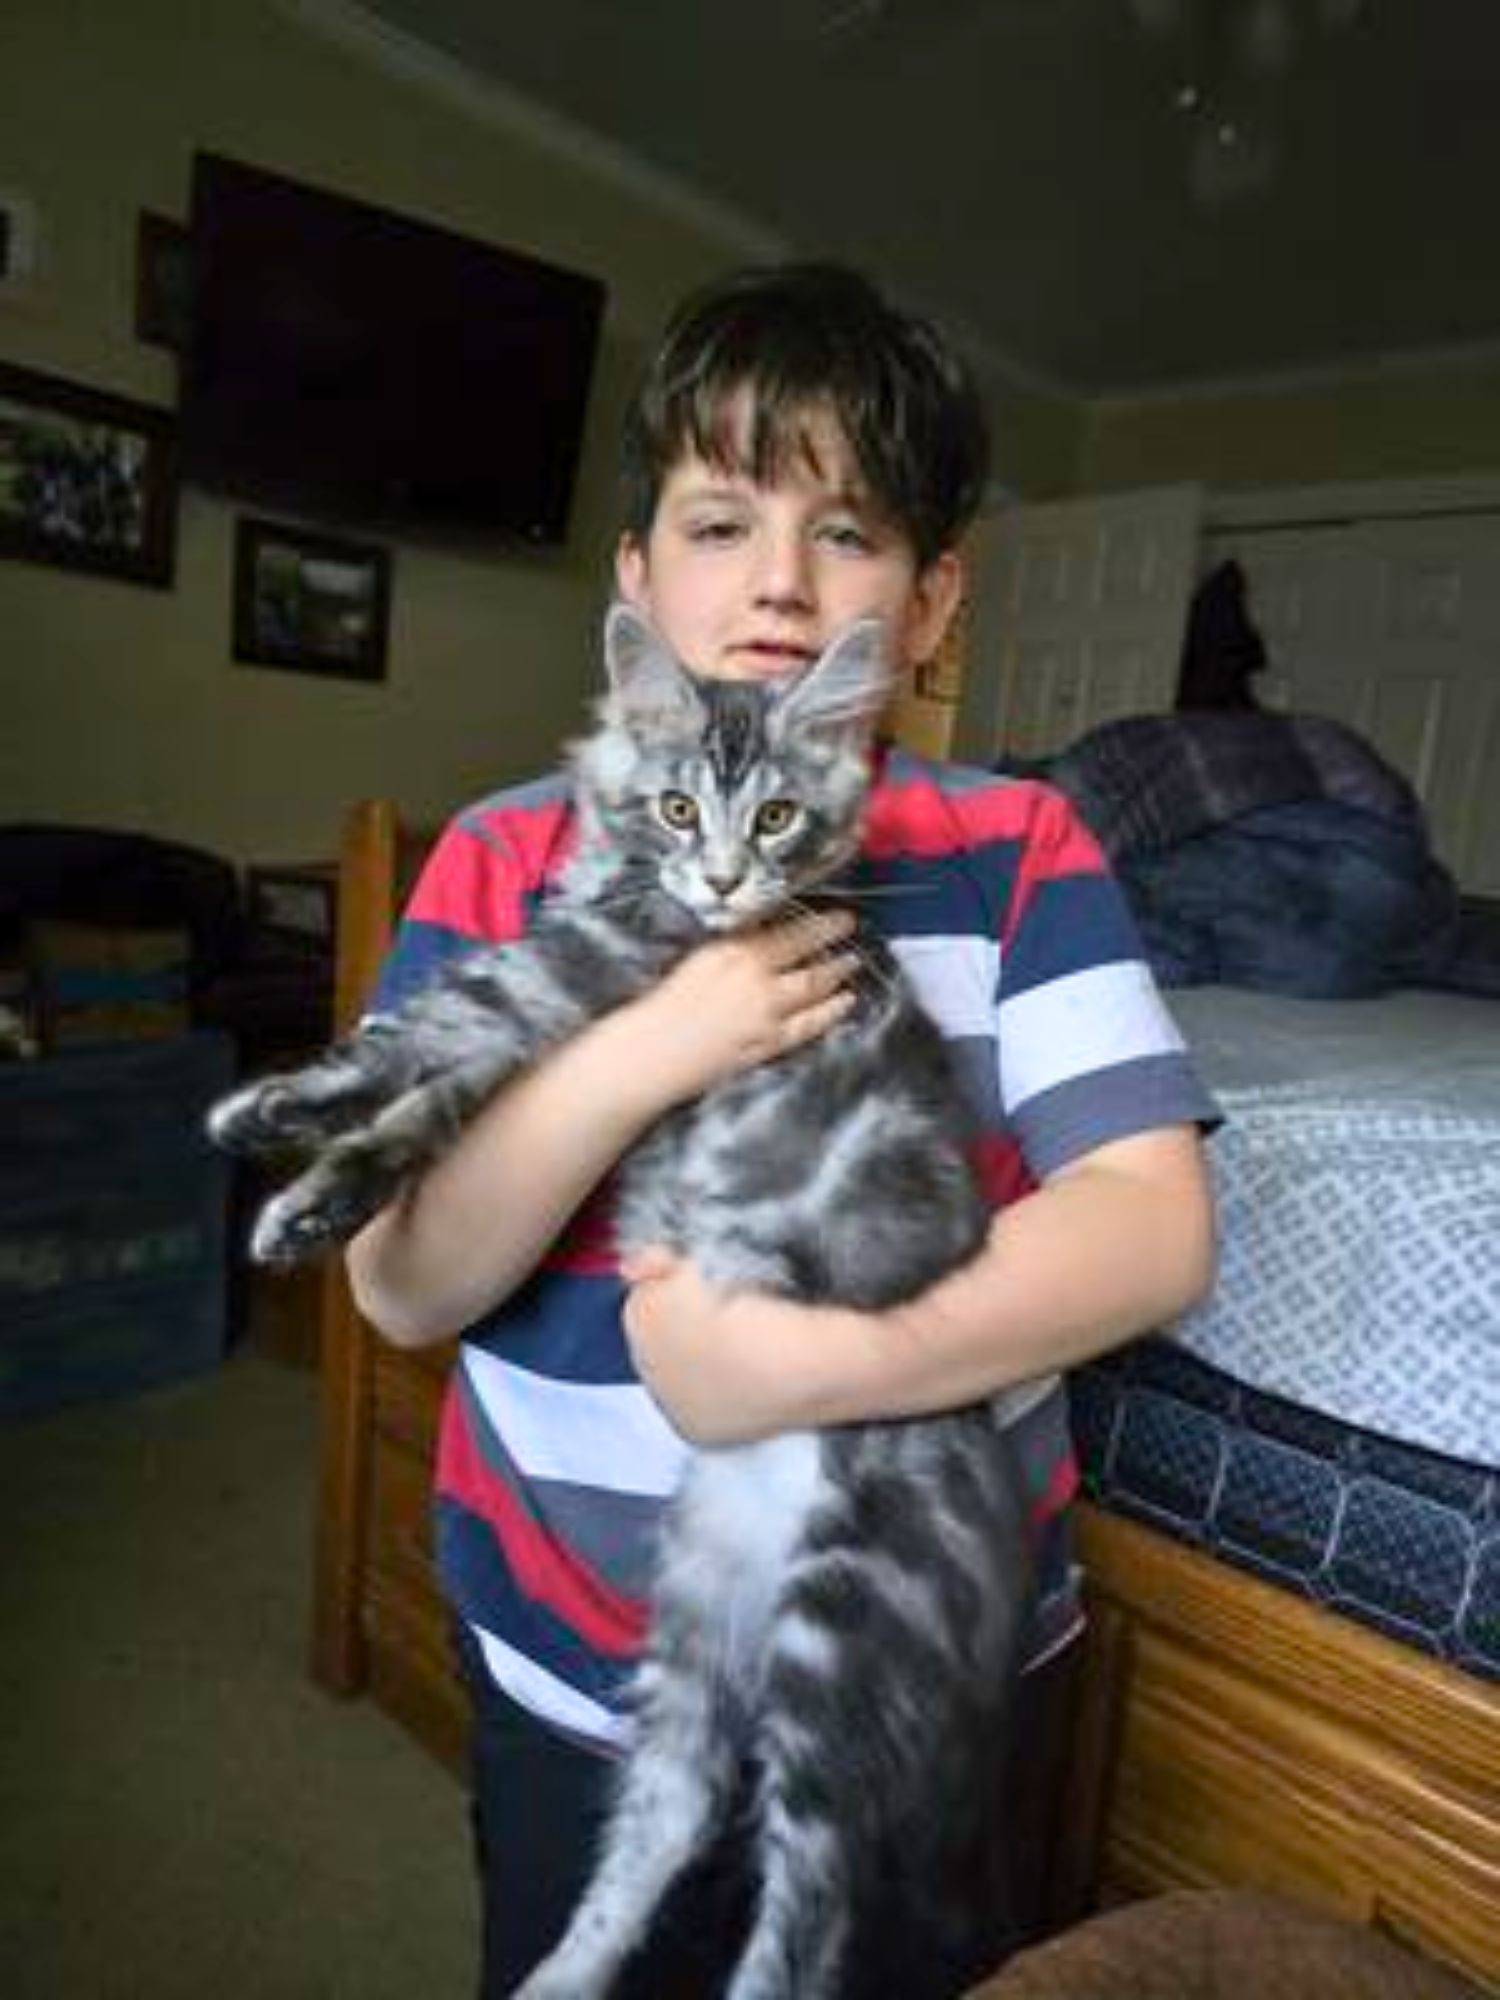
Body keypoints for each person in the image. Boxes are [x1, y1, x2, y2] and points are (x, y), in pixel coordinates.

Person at [346, 262, 1218, 1998]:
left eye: (850, 534)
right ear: (637, 577)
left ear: (933, 601)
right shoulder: (499, 864)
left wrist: (780, 1366)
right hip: (580, 1660)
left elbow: (1152, 1224)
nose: (779, 584)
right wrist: (654, 1044)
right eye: (722, 521)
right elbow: (399, 1282)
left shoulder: (1019, 848)